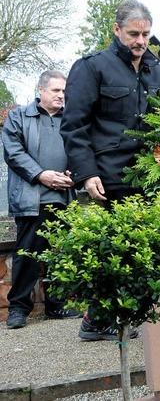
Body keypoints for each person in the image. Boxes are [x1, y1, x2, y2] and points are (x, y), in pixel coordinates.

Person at [61, 0, 160, 338]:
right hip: (108, 175)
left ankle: (135, 317)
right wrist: (86, 172)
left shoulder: (156, 69)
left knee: (147, 249)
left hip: (150, 174)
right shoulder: (91, 68)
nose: (140, 41)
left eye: (146, 35)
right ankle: (95, 322)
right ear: (116, 29)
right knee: (112, 251)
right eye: (133, 34)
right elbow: (74, 126)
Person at [2, 70, 81, 329]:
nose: (61, 95)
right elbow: (13, 153)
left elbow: (80, 149)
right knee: (27, 256)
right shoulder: (18, 117)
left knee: (60, 255)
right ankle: (18, 309)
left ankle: (57, 306)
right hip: (31, 199)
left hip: (63, 197)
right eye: (56, 90)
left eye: (63, 91)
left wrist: (74, 173)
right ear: (41, 90)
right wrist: (41, 174)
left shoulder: (71, 119)